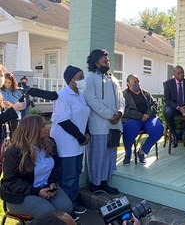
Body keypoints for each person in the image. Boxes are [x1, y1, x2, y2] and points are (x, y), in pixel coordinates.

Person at [0, 115, 73, 217]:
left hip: (45, 186)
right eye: (43, 126)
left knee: (66, 208)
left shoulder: (50, 143)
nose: (48, 127)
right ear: (33, 130)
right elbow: (10, 181)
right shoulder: (14, 152)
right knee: (48, 213)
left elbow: (55, 168)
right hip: (20, 195)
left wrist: (52, 182)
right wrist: (36, 192)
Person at [50, 66, 91, 219]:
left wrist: (87, 133)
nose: (82, 80)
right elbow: (64, 121)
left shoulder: (80, 95)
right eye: (80, 77)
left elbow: (84, 115)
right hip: (66, 143)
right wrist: (81, 137)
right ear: (71, 80)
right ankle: (66, 211)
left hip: (78, 143)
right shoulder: (62, 96)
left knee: (75, 173)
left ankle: (72, 204)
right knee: (67, 177)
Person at [84, 49, 125, 194]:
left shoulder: (112, 78)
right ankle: (95, 185)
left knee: (109, 155)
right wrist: (110, 115)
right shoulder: (90, 78)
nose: (107, 63)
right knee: (97, 155)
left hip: (114, 125)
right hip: (99, 125)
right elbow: (91, 100)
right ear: (96, 63)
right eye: (104, 61)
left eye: (108, 61)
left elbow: (121, 98)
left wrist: (120, 112)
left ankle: (104, 182)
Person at [122, 74, 163, 165]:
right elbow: (124, 109)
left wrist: (148, 114)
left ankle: (142, 152)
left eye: (137, 81)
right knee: (129, 128)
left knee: (158, 129)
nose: (136, 83)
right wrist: (140, 116)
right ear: (128, 83)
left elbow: (154, 104)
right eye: (134, 82)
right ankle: (128, 154)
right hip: (133, 119)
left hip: (148, 118)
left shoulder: (146, 93)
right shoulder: (124, 95)